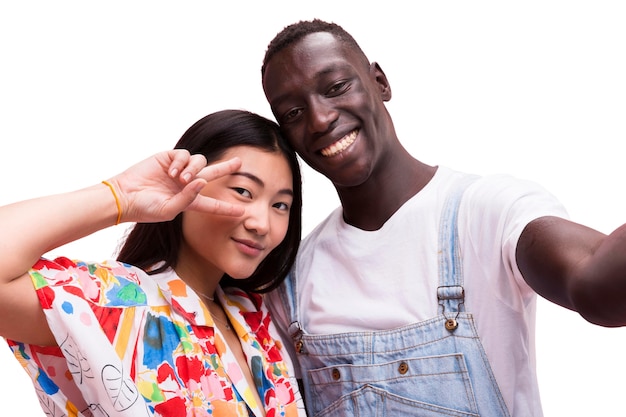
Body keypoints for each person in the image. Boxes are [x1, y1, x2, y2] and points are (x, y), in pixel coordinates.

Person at [260, 19, 626, 417]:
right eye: (294, 112)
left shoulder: (486, 211)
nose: (319, 119)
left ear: (380, 82)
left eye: (336, 88)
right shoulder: (292, 280)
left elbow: (595, 287)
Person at [0, 109, 307, 417]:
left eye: (280, 205)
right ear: (188, 185)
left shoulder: (258, 319)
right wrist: (121, 195)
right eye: (243, 191)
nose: (262, 223)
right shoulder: (119, 303)